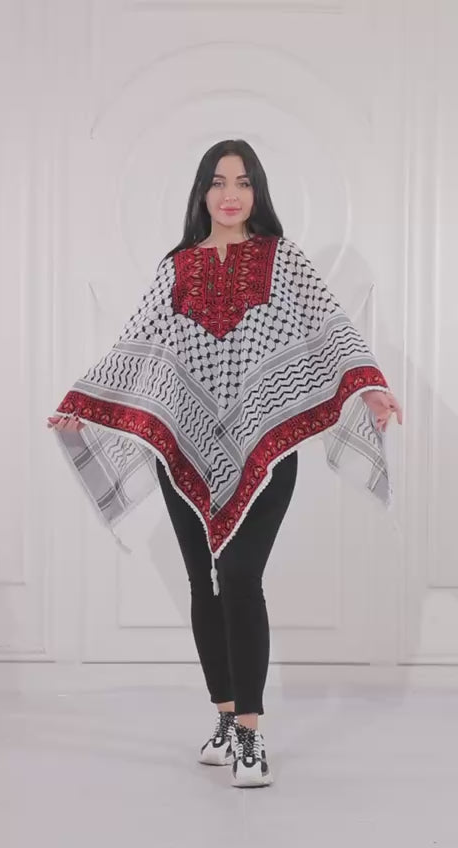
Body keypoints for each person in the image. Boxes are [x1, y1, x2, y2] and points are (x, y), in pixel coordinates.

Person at [47, 139, 403, 789]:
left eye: (242, 181)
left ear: (257, 191)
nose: (230, 193)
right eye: (217, 181)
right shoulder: (176, 267)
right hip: (182, 449)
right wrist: (85, 404)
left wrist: (370, 385)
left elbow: (331, 326)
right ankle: (223, 716)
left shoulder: (283, 260)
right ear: (202, 193)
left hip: (267, 450)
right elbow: (136, 347)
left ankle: (250, 734)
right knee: (203, 583)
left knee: (239, 575)